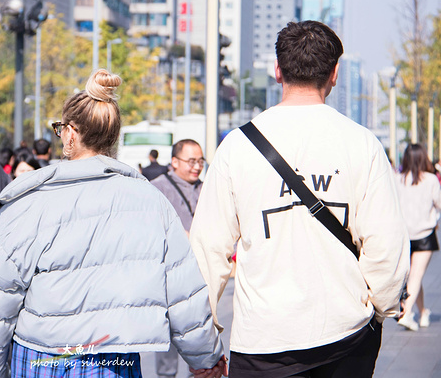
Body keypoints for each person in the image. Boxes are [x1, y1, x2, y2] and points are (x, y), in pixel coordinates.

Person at [0, 69, 225, 378]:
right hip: (114, 360)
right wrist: (206, 357)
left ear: (70, 132)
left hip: (41, 358)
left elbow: (0, 295)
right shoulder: (151, 202)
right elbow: (184, 295)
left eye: (60, 129)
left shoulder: (29, 197)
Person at [190, 21, 409, 378]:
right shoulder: (361, 143)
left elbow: (207, 250)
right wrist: (381, 307)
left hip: (262, 341)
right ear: (335, 73)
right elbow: (387, 246)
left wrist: (203, 344)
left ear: (278, 70)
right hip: (345, 336)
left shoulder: (238, 146)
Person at [150, 139, 204, 377]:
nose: (197, 166)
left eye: (200, 161)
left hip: (202, 279)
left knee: (202, 348)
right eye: (191, 161)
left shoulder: (208, 188)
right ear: (174, 162)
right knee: (168, 349)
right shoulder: (156, 188)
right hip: (169, 281)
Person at [395, 144, 441, 331]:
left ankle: (422, 313)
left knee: (414, 276)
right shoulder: (430, 179)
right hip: (424, 234)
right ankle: (405, 314)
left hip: (403, 235)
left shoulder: (397, 179)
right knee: (416, 274)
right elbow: (439, 203)